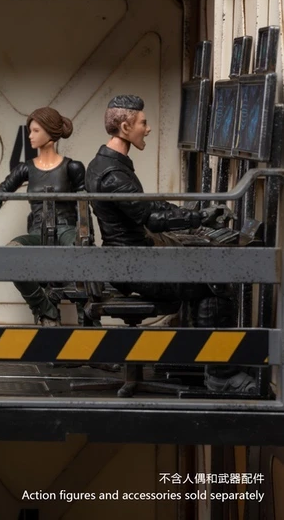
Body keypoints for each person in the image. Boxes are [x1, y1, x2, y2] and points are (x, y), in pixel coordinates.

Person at [85, 95, 256, 394]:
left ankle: (194, 359)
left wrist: (192, 215)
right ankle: (221, 374)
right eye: (143, 123)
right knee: (213, 284)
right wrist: (198, 217)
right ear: (125, 127)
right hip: (134, 268)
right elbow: (151, 218)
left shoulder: (107, 164)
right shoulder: (113, 174)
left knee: (200, 270)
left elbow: (146, 205)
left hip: (128, 261)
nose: (148, 128)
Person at [0, 107, 83, 326]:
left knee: (82, 256)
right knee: (11, 255)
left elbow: (85, 205)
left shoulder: (73, 167)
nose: (30, 136)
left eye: (35, 130)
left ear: (50, 132)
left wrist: (87, 236)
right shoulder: (26, 169)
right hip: (37, 232)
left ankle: (86, 320)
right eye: (30, 130)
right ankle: (45, 309)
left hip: (67, 229)